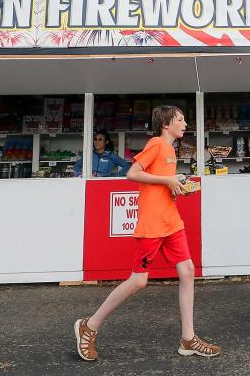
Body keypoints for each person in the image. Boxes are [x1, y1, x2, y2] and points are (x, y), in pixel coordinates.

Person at [75, 106, 220, 361]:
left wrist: (177, 184)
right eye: (180, 119)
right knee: (138, 281)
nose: (185, 123)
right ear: (166, 124)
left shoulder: (170, 149)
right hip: (153, 224)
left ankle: (188, 338)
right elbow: (133, 173)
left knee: (187, 272)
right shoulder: (156, 143)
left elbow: (159, 179)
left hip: (171, 221)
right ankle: (89, 325)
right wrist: (167, 182)